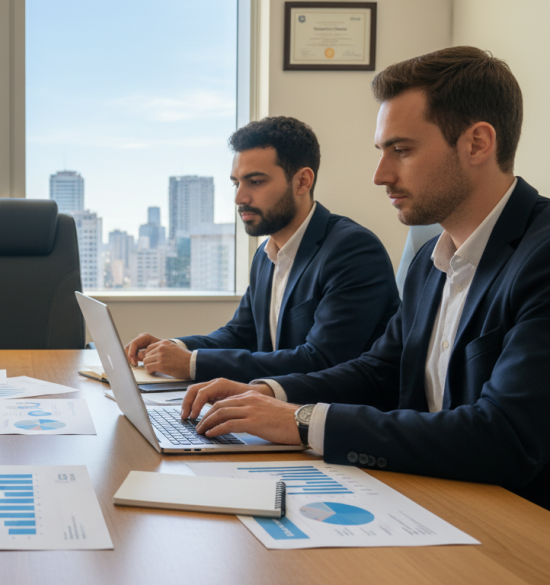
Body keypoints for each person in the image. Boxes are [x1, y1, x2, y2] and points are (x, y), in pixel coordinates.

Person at [182, 47, 550, 509]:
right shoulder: (428, 264)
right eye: (383, 151)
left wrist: (301, 421)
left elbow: (506, 437)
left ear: (477, 143)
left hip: (516, 524)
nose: (381, 175)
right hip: (431, 496)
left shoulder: (541, 256)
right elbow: (379, 372)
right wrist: (267, 393)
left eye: (401, 150)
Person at [125, 117, 400, 383]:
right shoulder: (266, 255)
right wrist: (173, 347)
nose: (239, 198)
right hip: (271, 408)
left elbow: (322, 360)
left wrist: (192, 363)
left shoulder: (352, 251)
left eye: (255, 182)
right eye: (236, 183)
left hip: (331, 418)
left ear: (302, 181)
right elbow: (239, 334)